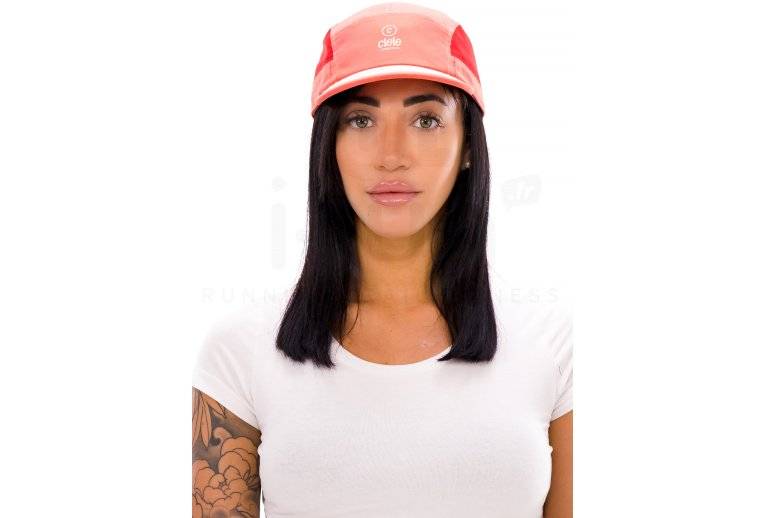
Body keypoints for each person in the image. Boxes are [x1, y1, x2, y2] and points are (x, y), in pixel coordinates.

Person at [192, 3, 573, 517]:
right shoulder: (241, 350)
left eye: (426, 119)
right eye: (361, 119)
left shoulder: (554, 346)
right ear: (328, 146)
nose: (391, 155)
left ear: (468, 146)